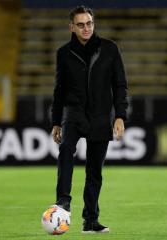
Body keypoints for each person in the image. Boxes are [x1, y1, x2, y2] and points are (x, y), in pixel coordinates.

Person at [50, 5, 129, 234]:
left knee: (94, 171)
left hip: (101, 116)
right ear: (71, 27)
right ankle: (63, 202)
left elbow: (120, 85)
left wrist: (120, 116)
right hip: (73, 113)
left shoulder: (110, 49)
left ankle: (91, 220)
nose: (86, 28)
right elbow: (59, 90)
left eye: (90, 24)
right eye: (81, 25)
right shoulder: (64, 53)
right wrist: (56, 121)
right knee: (66, 149)